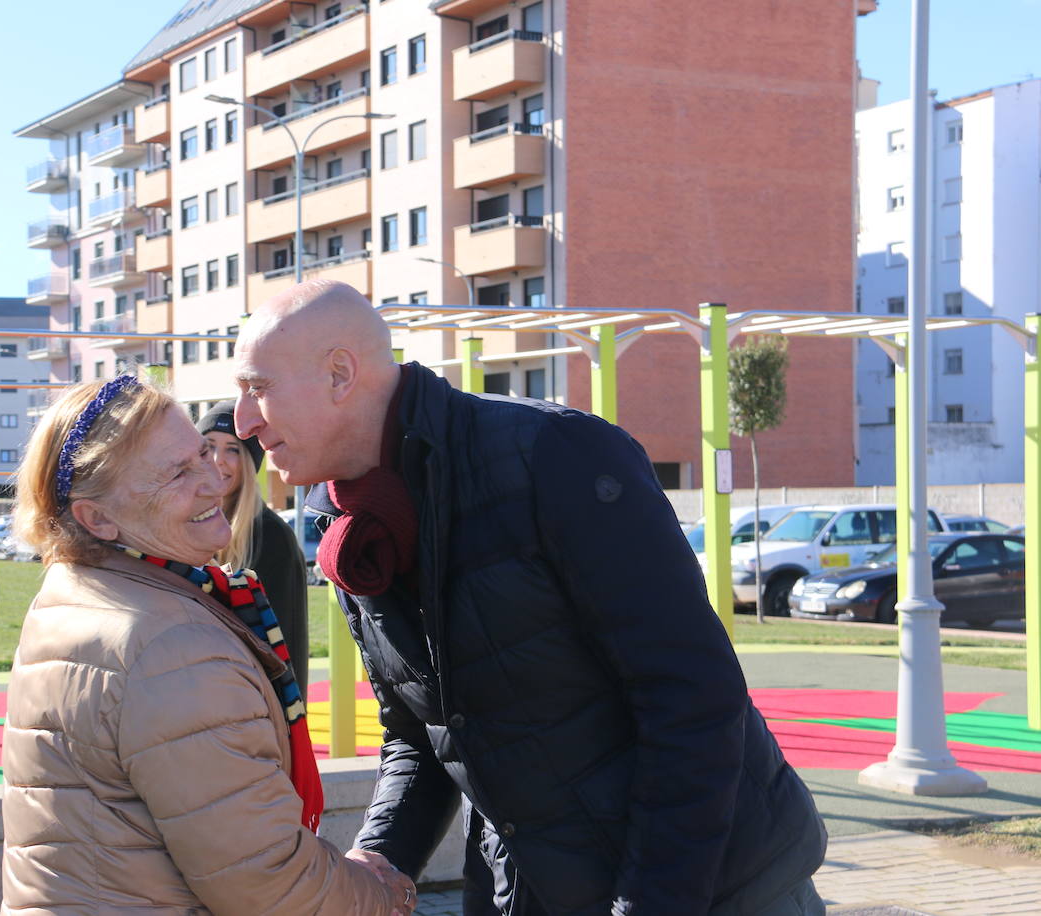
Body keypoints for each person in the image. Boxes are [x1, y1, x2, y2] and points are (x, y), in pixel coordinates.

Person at [233, 280, 828, 916]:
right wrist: (375, 860)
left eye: (257, 388)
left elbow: (693, 701)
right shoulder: (351, 529)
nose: (242, 421)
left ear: (339, 374)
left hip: (719, 888)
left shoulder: (557, 457)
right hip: (532, 889)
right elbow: (421, 734)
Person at [0, 376, 414, 915]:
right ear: (96, 518)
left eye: (202, 454)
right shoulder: (169, 644)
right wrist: (382, 894)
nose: (213, 479)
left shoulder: (78, 589)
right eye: (176, 473)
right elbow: (264, 882)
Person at [197, 399, 310, 695]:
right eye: (208, 445)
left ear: (249, 463)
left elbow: (283, 644)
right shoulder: (180, 528)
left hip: (249, 703)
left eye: (232, 449)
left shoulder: (270, 536)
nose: (218, 459)